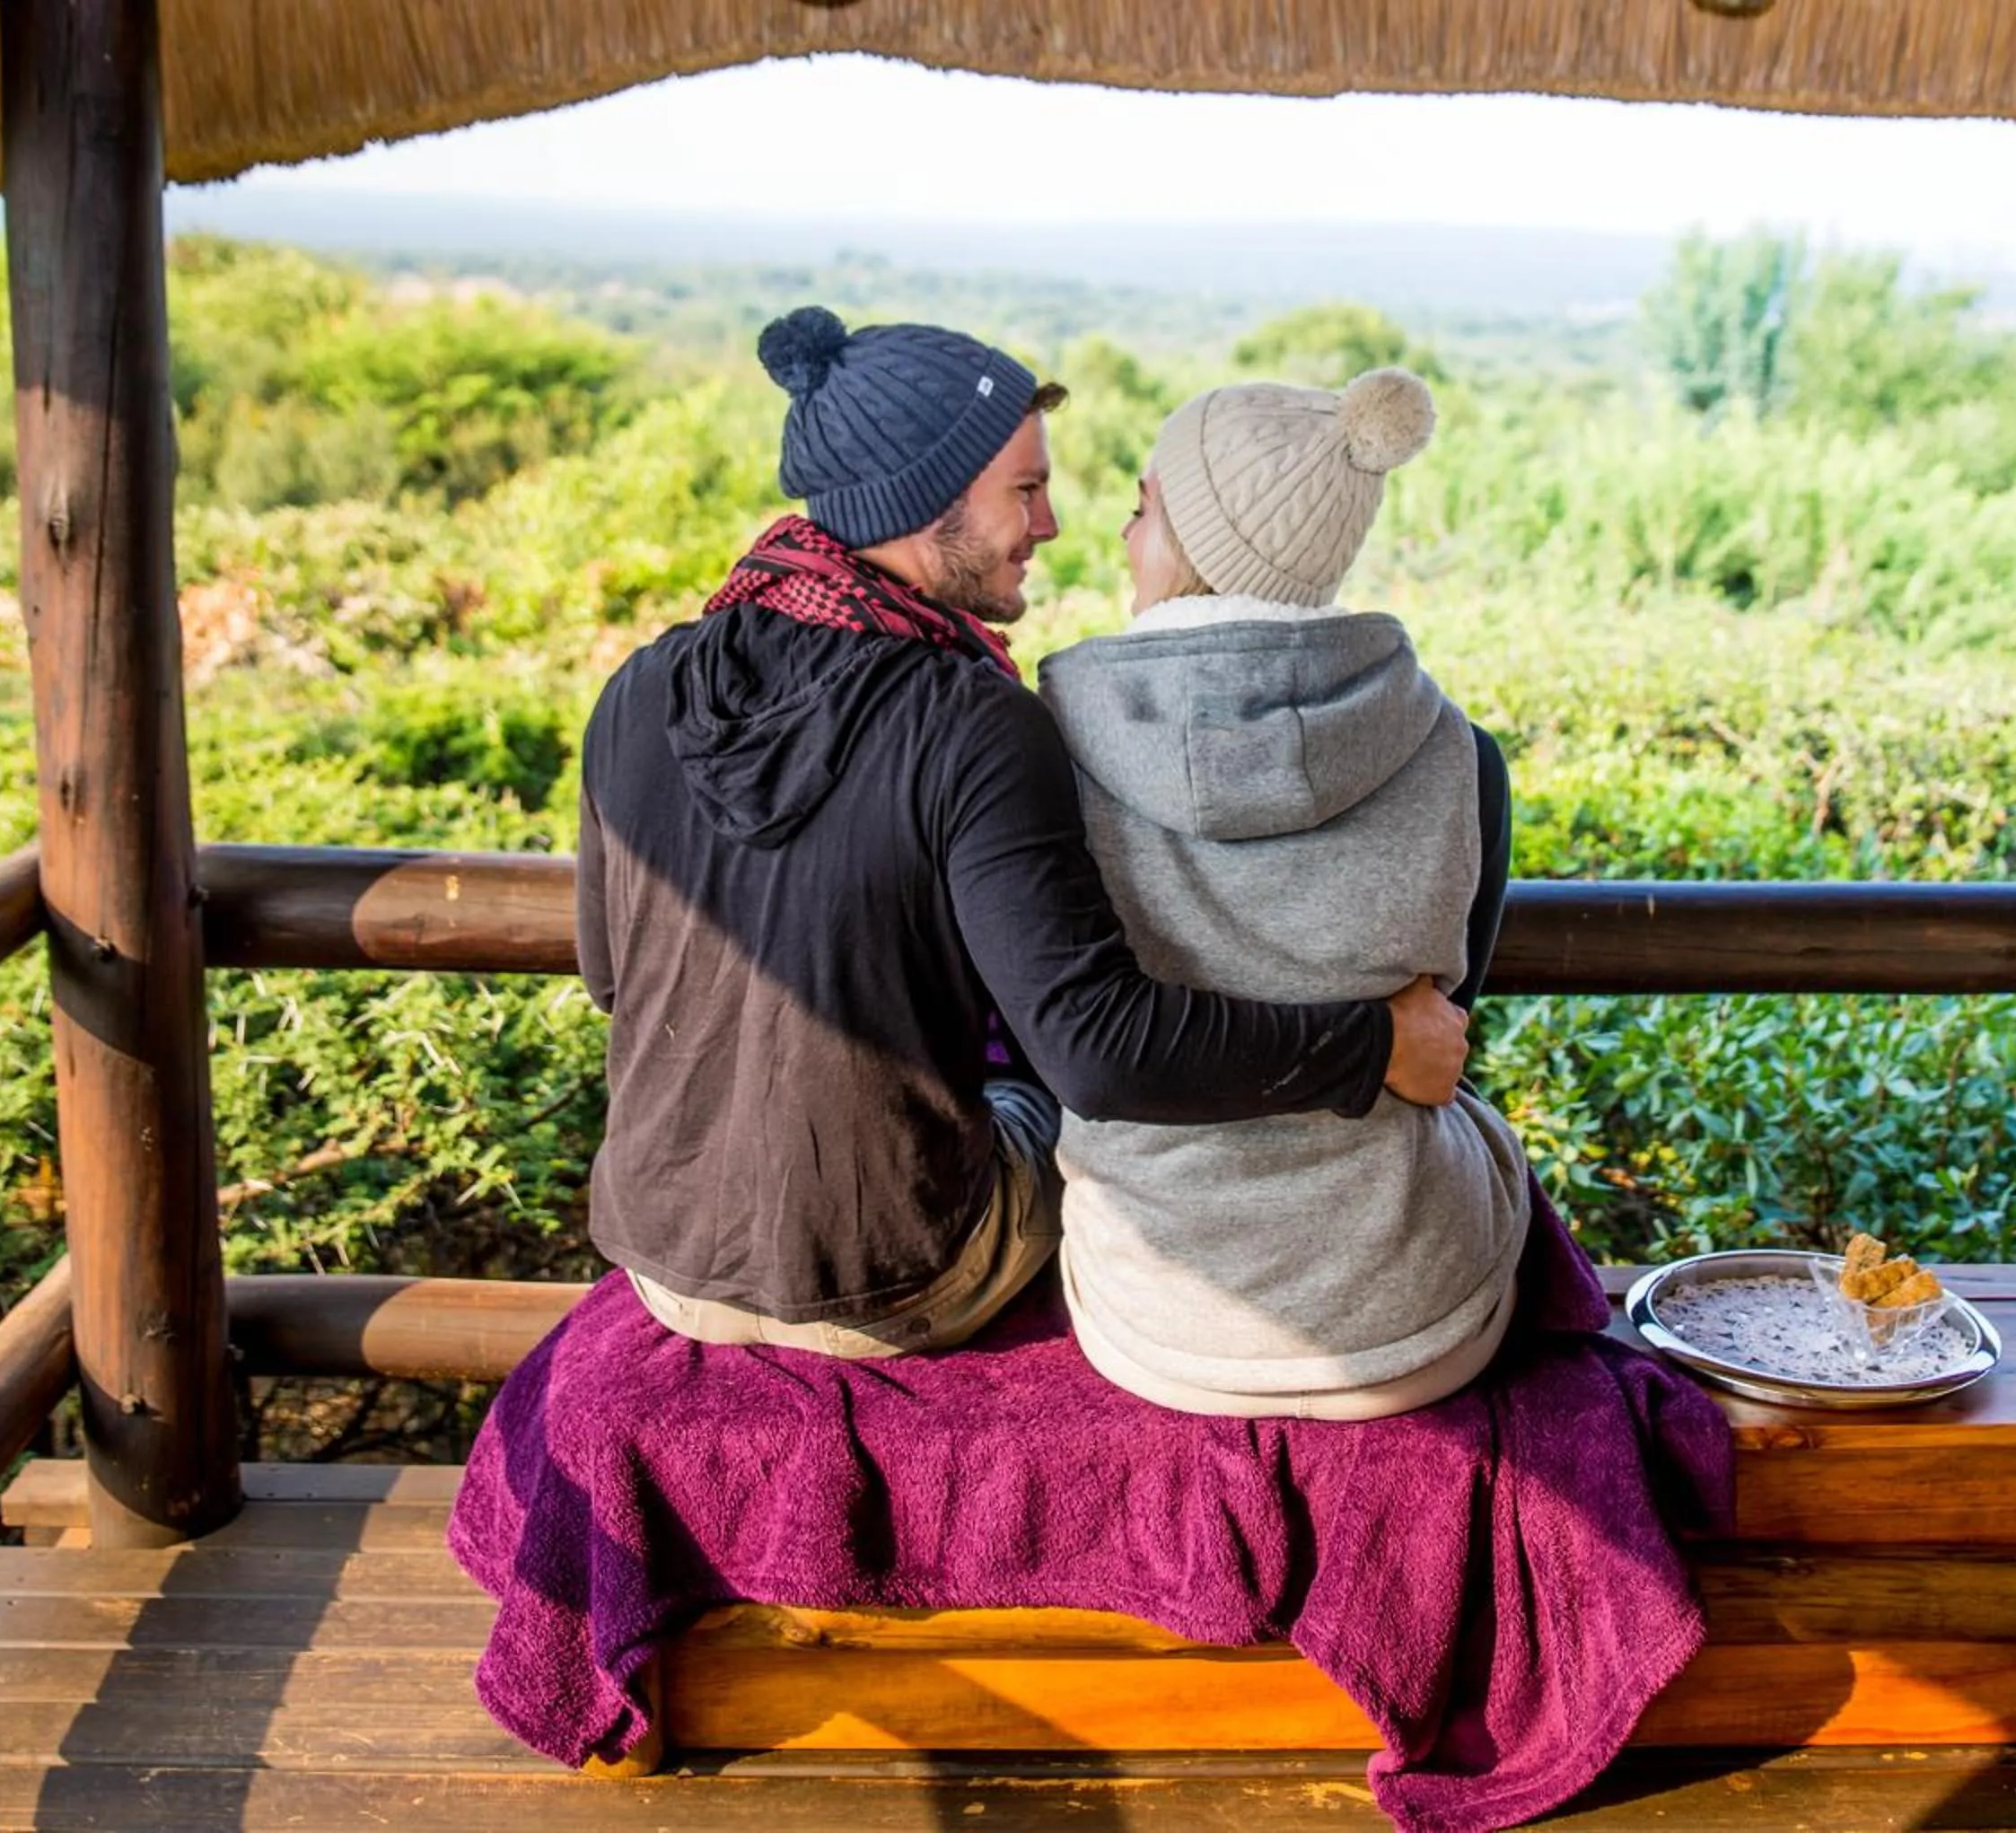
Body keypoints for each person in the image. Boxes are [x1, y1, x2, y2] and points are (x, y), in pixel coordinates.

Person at [574, 308, 1472, 1359]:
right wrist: (1376, 1045)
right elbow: (1095, 1053)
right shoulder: (972, 720)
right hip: (898, 1283)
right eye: (1026, 491)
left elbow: (608, 974)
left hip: (661, 1260)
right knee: (1048, 1108)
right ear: (924, 503)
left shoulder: (641, 684)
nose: (1048, 526)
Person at [1037, 368, 1534, 1419]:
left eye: (1142, 508)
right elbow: (1444, 1026)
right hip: (1416, 1318)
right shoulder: (1459, 754)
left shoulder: (1048, 746)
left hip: (1159, 1322)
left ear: (1194, 543)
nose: (1124, 539)